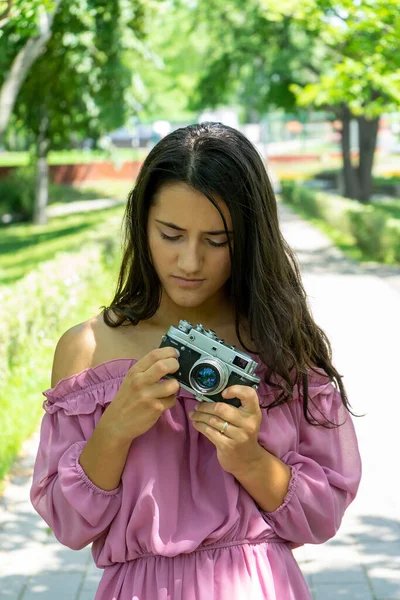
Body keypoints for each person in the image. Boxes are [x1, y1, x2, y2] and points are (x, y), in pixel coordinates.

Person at [30, 122, 362, 600]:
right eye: (171, 234)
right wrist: (116, 428)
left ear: (250, 238)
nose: (189, 262)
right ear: (142, 223)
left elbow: (322, 514)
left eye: (217, 240)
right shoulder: (89, 348)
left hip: (256, 585)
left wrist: (248, 458)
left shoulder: (279, 344)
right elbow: (68, 523)